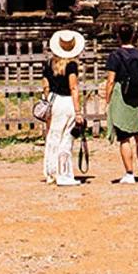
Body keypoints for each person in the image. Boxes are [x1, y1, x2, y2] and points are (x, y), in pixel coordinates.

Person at [105, 24, 138, 184]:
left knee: (124, 138)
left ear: (118, 37)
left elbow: (111, 81)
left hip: (122, 98)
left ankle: (129, 173)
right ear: (134, 36)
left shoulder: (115, 55)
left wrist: (107, 100)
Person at [42, 29, 86, 186]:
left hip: (53, 100)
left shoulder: (49, 64)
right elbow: (73, 88)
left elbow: (45, 86)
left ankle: (50, 172)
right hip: (66, 101)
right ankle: (64, 174)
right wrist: (78, 111)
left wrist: (48, 101)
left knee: (52, 136)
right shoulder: (71, 65)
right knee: (66, 138)